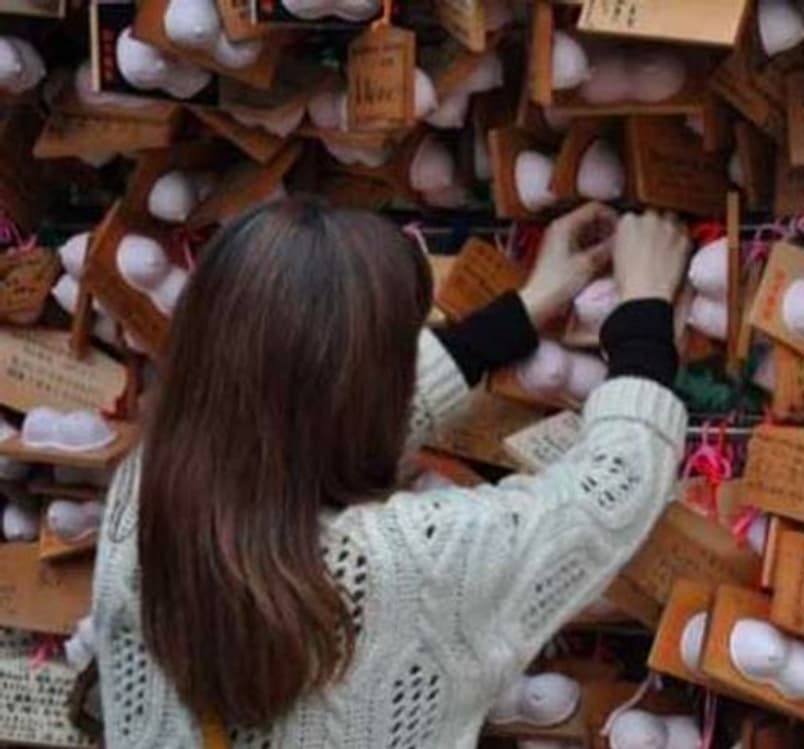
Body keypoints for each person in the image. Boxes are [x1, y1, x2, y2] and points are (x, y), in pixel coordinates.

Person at [90, 196, 691, 747]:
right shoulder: (403, 564)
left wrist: (526, 308)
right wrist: (643, 309)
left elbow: (301, 424)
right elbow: (608, 488)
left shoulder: (146, 495)